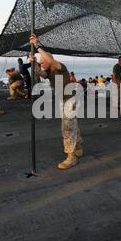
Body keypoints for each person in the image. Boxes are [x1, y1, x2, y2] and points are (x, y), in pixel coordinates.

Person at [29, 34, 83, 170]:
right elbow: (37, 73)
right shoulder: (48, 71)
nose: (42, 63)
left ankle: (71, 157)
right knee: (71, 124)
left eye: (43, 61)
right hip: (63, 100)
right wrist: (33, 61)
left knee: (67, 127)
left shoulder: (59, 67)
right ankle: (77, 146)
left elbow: (50, 61)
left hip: (70, 99)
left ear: (50, 59)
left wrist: (37, 46)